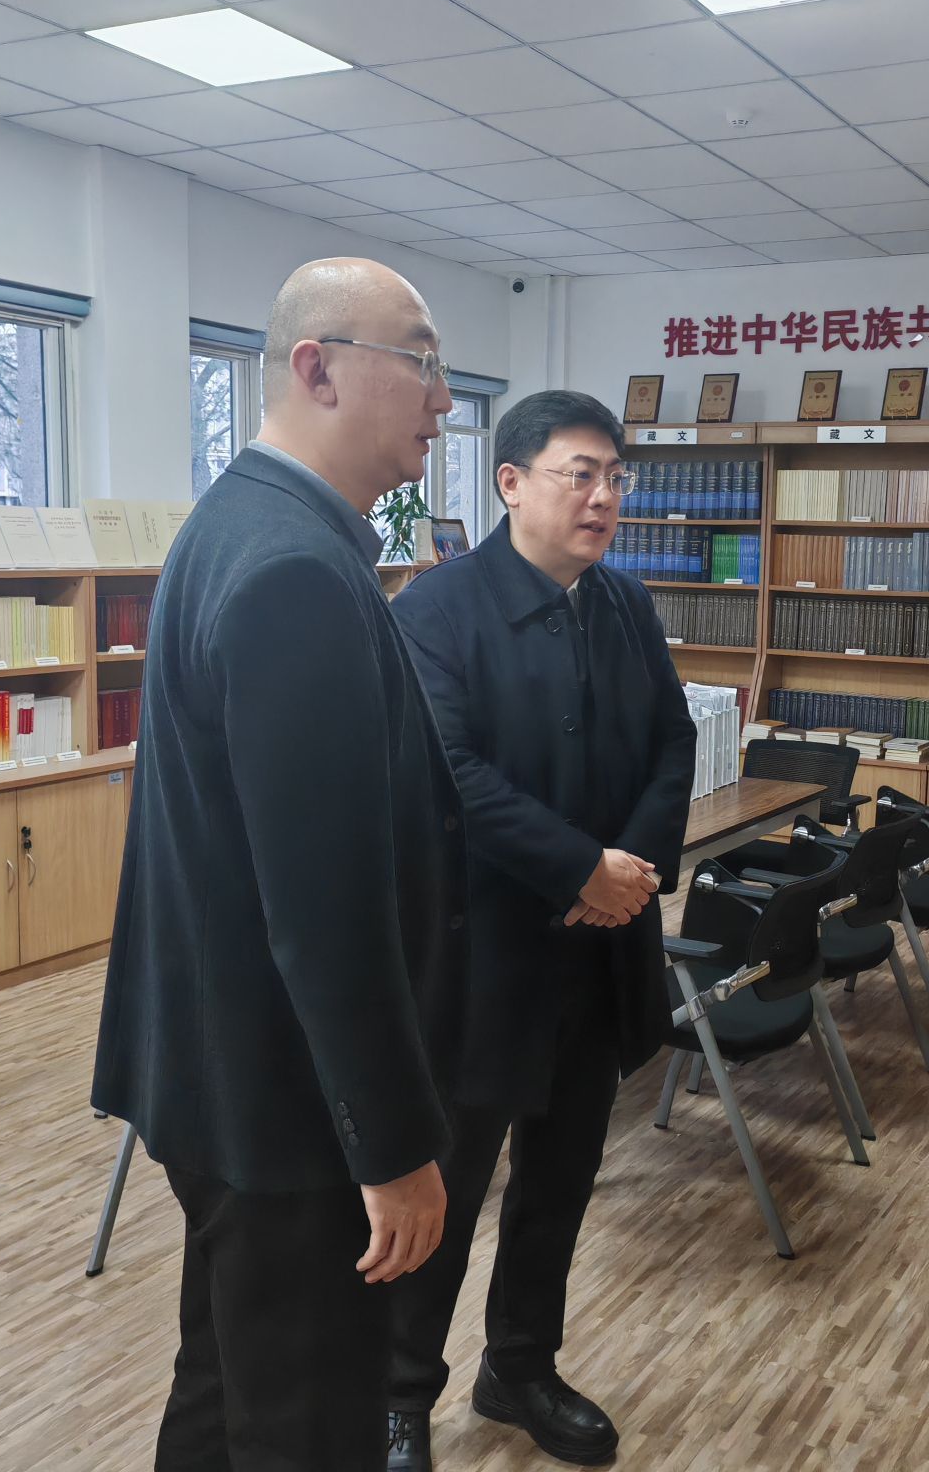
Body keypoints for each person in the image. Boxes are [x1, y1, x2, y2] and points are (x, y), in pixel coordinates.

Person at [92, 258, 469, 1472]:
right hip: (290, 1110)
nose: (442, 399)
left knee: (226, 1395)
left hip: (222, 1075)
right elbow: (323, 908)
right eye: (421, 362)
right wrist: (391, 1149)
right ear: (317, 368)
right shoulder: (296, 571)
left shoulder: (238, 525)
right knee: (303, 1429)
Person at [384, 390, 696, 1471]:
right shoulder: (435, 610)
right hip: (482, 959)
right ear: (511, 482)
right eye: (580, 473)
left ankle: (520, 1365)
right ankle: (397, 1396)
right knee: (447, 1190)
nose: (603, 497)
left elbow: (672, 743)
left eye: (615, 476)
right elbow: (447, 771)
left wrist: (628, 873)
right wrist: (577, 869)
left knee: (560, 1182)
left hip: (598, 955)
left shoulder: (624, 604)